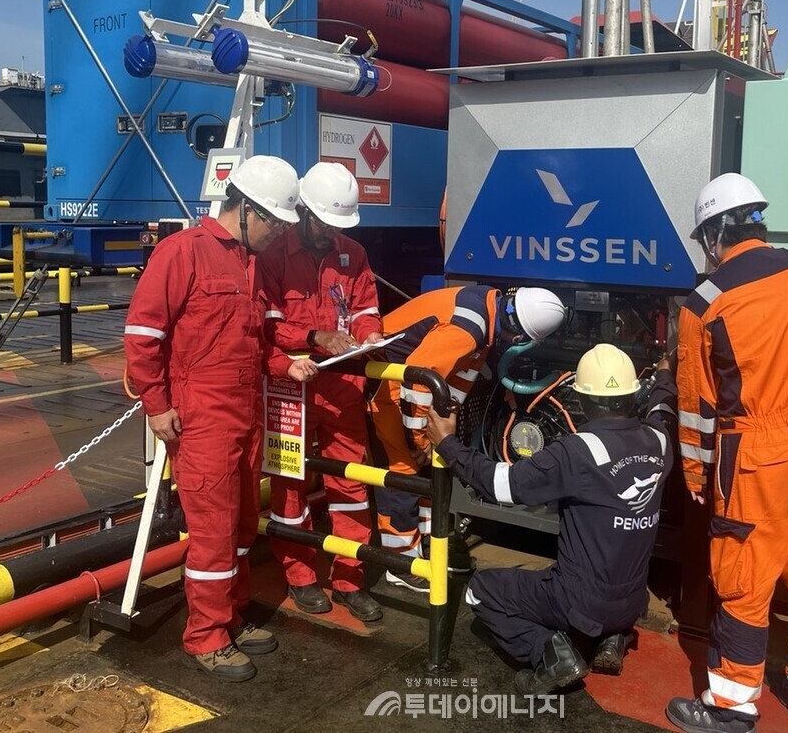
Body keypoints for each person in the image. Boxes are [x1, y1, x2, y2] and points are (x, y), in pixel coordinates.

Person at [665, 173, 788, 733]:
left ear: (714, 233)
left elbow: (697, 407)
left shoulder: (705, 302)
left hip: (756, 454)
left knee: (743, 579)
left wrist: (697, 476)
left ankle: (730, 707)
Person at [124, 155, 318, 683]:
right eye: (276, 223)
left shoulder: (252, 264)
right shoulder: (182, 252)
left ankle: (231, 615)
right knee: (212, 532)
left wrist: (285, 364)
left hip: (245, 414)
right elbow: (143, 336)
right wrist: (157, 405)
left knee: (240, 526)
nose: (280, 234)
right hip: (202, 418)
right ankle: (206, 636)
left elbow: (253, 342)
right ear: (247, 209)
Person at [427, 343, 676, 695]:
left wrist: (448, 443)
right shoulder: (660, 440)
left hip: (579, 604)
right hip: (632, 605)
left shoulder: (577, 452)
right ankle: (612, 639)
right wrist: (665, 372)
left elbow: (501, 485)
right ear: (634, 395)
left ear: (583, 401)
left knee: (481, 590)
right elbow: (664, 407)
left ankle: (550, 654)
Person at [371, 284, 567, 592]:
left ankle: (429, 546)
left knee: (431, 468)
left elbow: (458, 381)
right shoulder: (469, 329)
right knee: (403, 470)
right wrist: (420, 441)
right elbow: (418, 379)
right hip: (389, 383)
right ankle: (400, 563)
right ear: (519, 337)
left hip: (407, 386)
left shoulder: (488, 310)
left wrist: (437, 435)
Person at [258, 161, 386, 623]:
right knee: (290, 483)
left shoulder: (353, 253)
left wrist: (370, 335)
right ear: (305, 212)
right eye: (325, 223)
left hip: (343, 388)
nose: (332, 233)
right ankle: (300, 575)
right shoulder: (274, 254)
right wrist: (315, 337)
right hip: (290, 387)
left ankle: (349, 579)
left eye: (338, 225)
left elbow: (366, 308)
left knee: (351, 483)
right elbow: (266, 324)